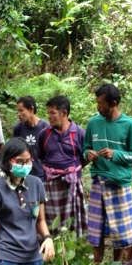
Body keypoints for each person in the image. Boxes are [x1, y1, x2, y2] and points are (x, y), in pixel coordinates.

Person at [84, 83, 132, 262]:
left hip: (119, 183)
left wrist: (116, 154)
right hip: (98, 182)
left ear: (114, 103)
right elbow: (85, 148)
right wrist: (88, 154)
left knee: (120, 233)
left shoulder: (130, 125)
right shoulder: (93, 123)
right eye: (97, 103)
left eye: (101, 103)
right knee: (96, 230)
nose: (98, 107)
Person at [38, 95, 87, 235]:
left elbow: (85, 157)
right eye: (48, 113)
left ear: (64, 113)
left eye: (52, 113)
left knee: (73, 221)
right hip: (51, 185)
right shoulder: (44, 134)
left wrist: (73, 171)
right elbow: (41, 157)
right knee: (51, 221)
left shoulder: (79, 133)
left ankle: (74, 248)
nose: (49, 117)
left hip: (72, 184)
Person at [12, 96, 49, 180]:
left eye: (21, 110)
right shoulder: (18, 128)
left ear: (31, 109)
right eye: (17, 111)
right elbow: (15, 151)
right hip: (23, 174)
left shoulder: (45, 128)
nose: (19, 114)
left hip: (41, 174)